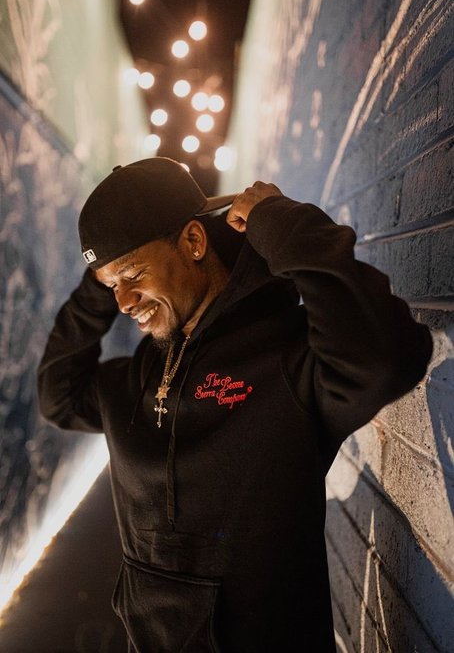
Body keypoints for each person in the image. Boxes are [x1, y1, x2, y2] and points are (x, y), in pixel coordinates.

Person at [38, 156, 432, 652]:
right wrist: (109, 275)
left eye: (134, 273)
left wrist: (282, 223)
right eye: (111, 287)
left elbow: (383, 359)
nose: (123, 302)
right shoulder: (140, 372)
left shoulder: (284, 356)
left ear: (193, 242)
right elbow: (58, 396)